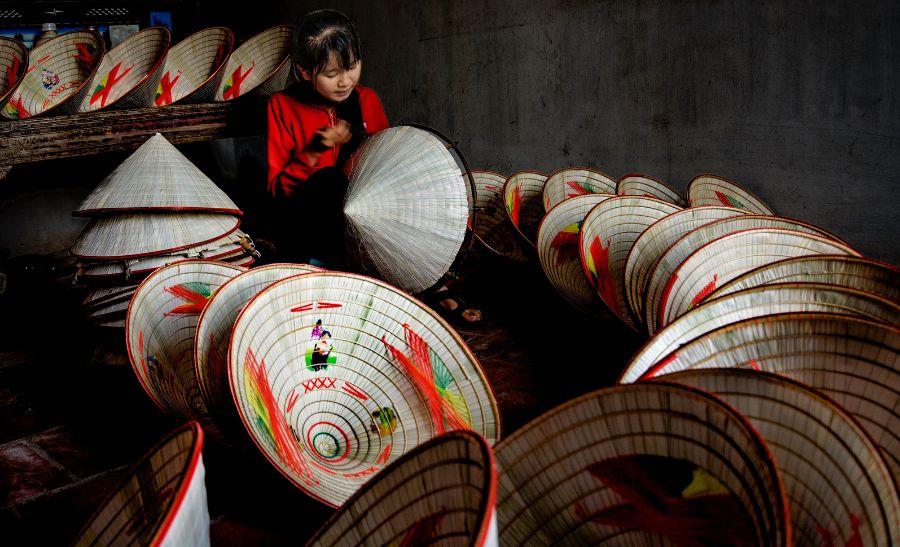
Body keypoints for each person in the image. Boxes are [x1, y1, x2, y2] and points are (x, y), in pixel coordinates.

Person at [266, 10, 481, 324]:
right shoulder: (282, 106)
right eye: (331, 73)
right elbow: (277, 190)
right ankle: (326, 277)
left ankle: (430, 281)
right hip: (311, 221)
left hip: (365, 218)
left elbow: (387, 167)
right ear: (304, 71)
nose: (345, 81)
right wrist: (316, 148)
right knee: (331, 181)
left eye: (352, 66)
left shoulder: (366, 100)